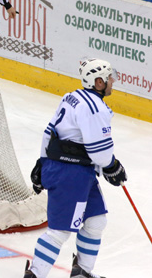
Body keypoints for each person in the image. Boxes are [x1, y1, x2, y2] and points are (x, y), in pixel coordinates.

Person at [23, 58, 127, 278]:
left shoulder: (73, 96)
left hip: (76, 171)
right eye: (109, 78)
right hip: (70, 173)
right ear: (99, 82)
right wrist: (112, 166)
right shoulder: (94, 107)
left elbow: (49, 131)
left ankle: (82, 272)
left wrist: (42, 162)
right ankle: (35, 274)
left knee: (95, 220)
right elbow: (99, 152)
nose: (112, 82)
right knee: (60, 231)